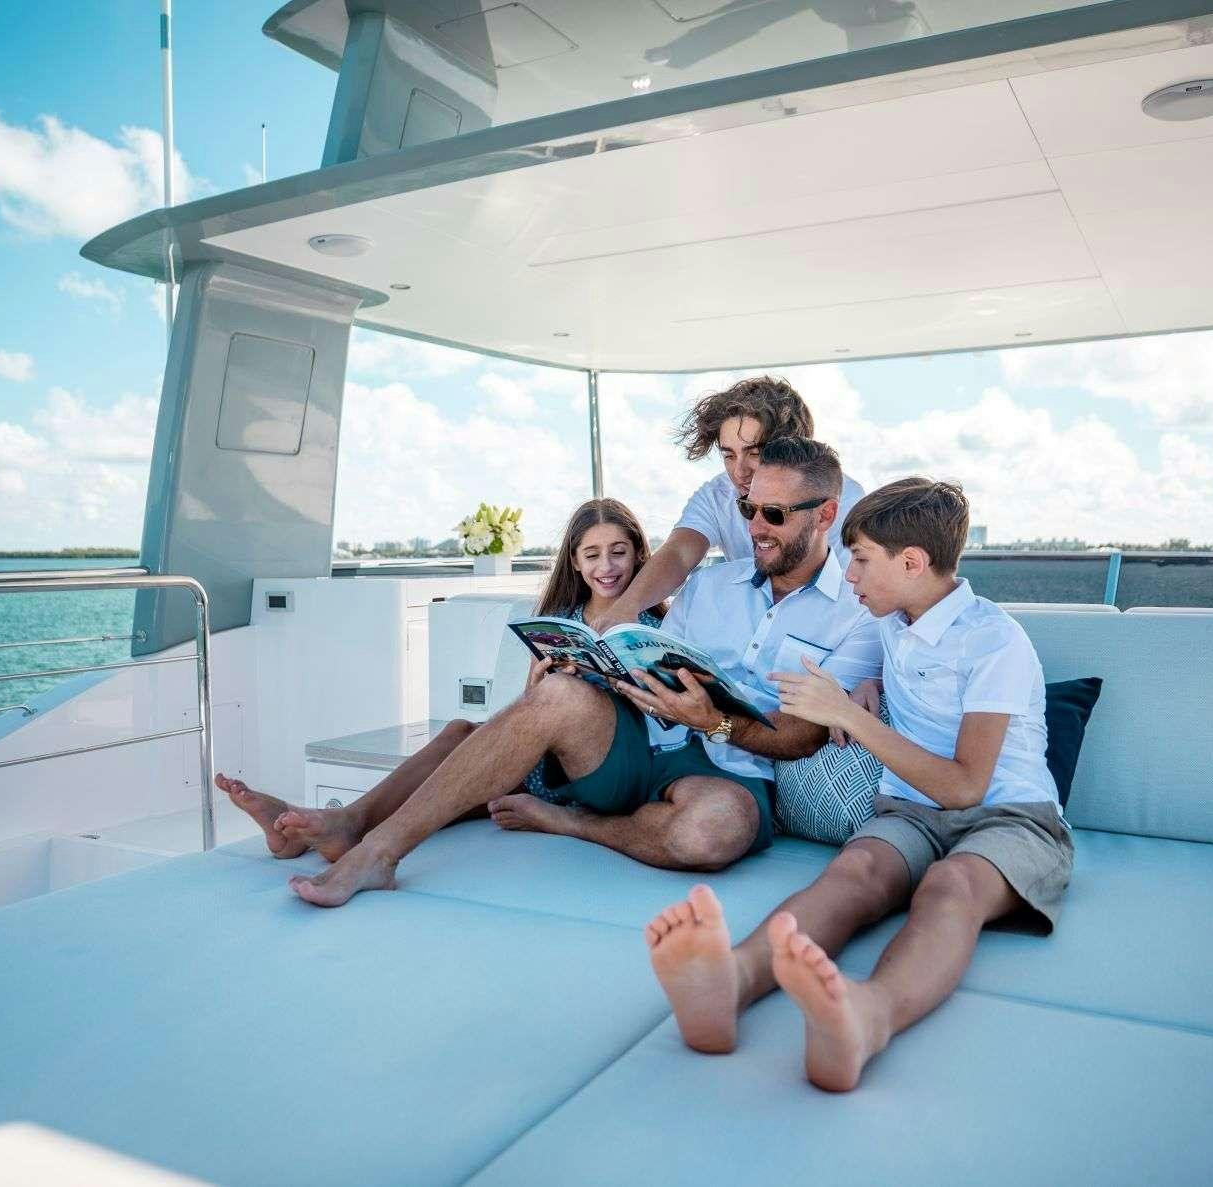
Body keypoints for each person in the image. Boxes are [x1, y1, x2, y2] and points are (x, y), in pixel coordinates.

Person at [284, 437, 882, 907]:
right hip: (643, 739)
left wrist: (713, 720)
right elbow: (645, 652)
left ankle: (570, 822)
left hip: (732, 771)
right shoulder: (708, 587)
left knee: (713, 834)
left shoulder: (856, 616)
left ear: (825, 514)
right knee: (560, 695)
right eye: (748, 510)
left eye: (772, 514)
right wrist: (596, 667)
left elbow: (801, 737)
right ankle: (378, 851)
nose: (754, 528)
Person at [641, 477, 1072, 1092]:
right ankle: (730, 980)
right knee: (853, 873)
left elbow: (965, 787)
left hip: (1011, 817)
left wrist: (847, 714)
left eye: (861, 561)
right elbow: (883, 681)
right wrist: (866, 688)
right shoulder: (891, 622)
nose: (849, 576)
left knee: (953, 884)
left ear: (913, 563)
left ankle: (870, 1016)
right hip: (910, 808)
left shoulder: (994, 640)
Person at [214, 498, 666, 860]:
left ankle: (346, 824)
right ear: (574, 562)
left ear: (639, 555)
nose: (606, 566)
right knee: (458, 732)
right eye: (592, 554)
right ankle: (327, 828)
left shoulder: (652, 625)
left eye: (618, 552)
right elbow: (535, 714)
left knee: (467, 753)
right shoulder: (561, 619)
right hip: (544, 765)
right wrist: (535, 689)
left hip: (601, 767)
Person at [587, 375, 866, 633]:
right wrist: (626, 607)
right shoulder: (717, 494)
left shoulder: (843, 500)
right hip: (750, 628)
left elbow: (857, 597)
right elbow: (679, 553)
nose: (739, 472)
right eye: (729, 455)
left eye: (754, 453)